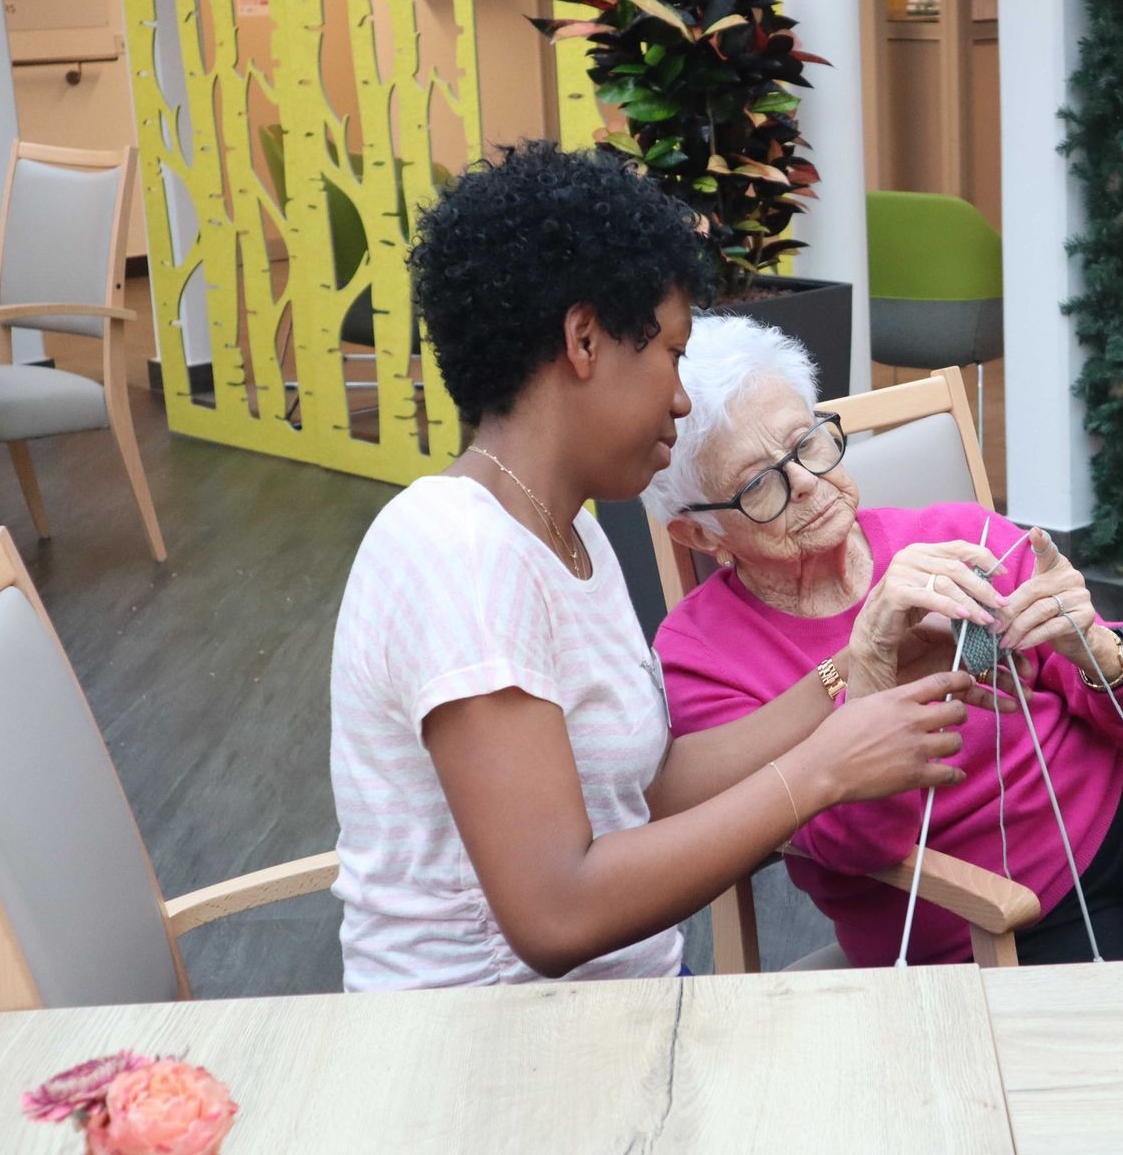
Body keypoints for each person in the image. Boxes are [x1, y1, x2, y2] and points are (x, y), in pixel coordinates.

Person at [329, 143, 981, 991]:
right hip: (491, 1062)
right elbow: (556, 915)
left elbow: (650, 790)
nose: (680, 396)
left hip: (617, 1017)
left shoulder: (569, 533)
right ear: (584, 340)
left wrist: (848, 673)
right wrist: (825, 772)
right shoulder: (460, 554)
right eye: (671, 353)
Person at [645, 315, 1123, 966]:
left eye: (809, 443)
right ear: (701, 534)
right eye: (760, 483)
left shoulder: (958, 533)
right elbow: (859, 850)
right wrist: (868, 663)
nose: (810, 483)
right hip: (984, 922)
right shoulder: (703, 658)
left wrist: (1103, 654)